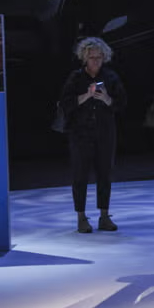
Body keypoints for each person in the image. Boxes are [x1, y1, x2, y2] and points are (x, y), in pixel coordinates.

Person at [59, 37, 127, 233]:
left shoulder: (111, 77)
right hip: (80, 133)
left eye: (99, 57)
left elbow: (122, 103)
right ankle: (81, 217)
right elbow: (66, 103)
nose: (95, 61)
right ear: (84, 58)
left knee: (105, 174)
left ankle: (104, 216)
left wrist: (106, 98)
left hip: (105, 133)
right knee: (80, 175)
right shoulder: (76, 77)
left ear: (104, 57)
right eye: (92, 57)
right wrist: (87, 95)